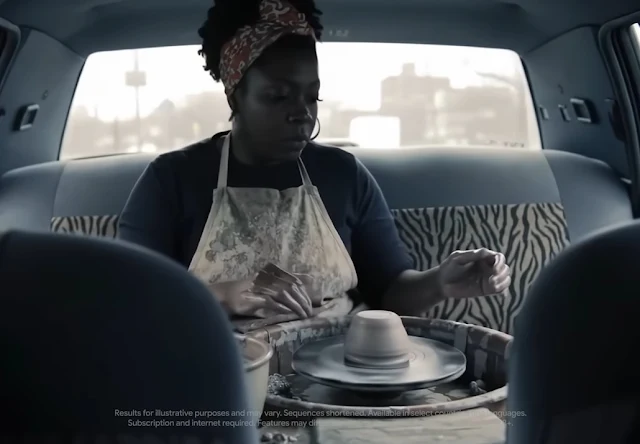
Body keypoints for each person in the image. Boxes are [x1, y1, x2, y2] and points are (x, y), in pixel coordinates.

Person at [117, 0, 512, 332]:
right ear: (235, 96)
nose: (302, 114)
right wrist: (222, 294)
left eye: (312, 97)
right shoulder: (172, 179)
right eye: (278, 96)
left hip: (342, 367)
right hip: (222, 372)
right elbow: (130, 297)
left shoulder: (343, 174)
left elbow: (390, 291)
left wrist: (441, 282)